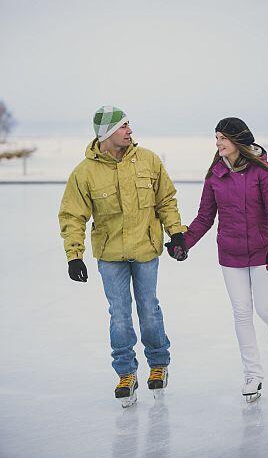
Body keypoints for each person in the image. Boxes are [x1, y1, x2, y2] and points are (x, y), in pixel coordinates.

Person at [58, 105, 187, 407]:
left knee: (148, 308)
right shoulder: (84, 172)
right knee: (119, 314)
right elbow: (72, 216)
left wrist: (177, 233)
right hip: (110, 254)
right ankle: (126, 373)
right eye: (123, 126)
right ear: (106, 134)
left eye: (129, 125)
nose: (130, 130)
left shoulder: (149, 161)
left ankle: (158, 363)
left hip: (145, 249)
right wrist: (74, 255)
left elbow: (166, 200)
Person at [167, 117, 268, 403]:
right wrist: (183, 242)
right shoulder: (215, 175)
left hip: (263, 252)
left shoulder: (263, 172)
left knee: (265, 308)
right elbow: (204, 217)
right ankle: (253, 375)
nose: (217, 143)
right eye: (216, 138)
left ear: (237, 140)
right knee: (241, 313)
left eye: (222, 138)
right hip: (230, 254)